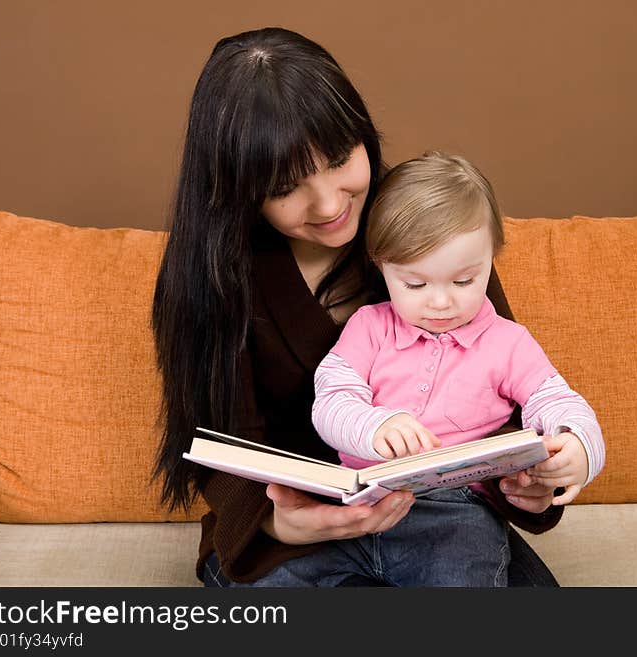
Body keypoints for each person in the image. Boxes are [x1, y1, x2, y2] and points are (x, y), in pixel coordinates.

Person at [152, 26, 567, 588]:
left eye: (340, 159)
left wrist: (532, 480)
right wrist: (285, 524)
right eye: (285, 187)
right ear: (238, 188)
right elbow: (221, 449)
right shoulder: (212, 278)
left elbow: (504, 390)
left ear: (364, 136)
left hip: (442, 520)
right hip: (286, 541)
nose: (328, 204)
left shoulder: (421, 220)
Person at [309, 152, 605, 586]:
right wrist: (375, 426)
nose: (442, 302)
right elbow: (331, 398)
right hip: (357, 503)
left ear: (491, 257)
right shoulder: (369, 327)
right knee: (269, 576)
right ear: (381, 265)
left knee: (464, 572)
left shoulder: (507, 343)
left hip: (453, 512)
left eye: (464, 281)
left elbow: (556, 400)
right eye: (416, 284)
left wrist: (578, 446)